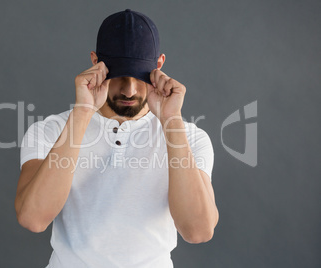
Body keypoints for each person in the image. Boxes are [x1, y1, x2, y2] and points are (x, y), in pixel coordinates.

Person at [15, 9, 219, 268]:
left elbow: (198, 231)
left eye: (140, 75)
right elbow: (33, 219)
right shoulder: (49, 130)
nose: (129, 89)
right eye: (119, 74)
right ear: (95, 62)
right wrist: (83, 112)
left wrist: (171, 120)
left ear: (159, 66)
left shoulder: (190, 137)